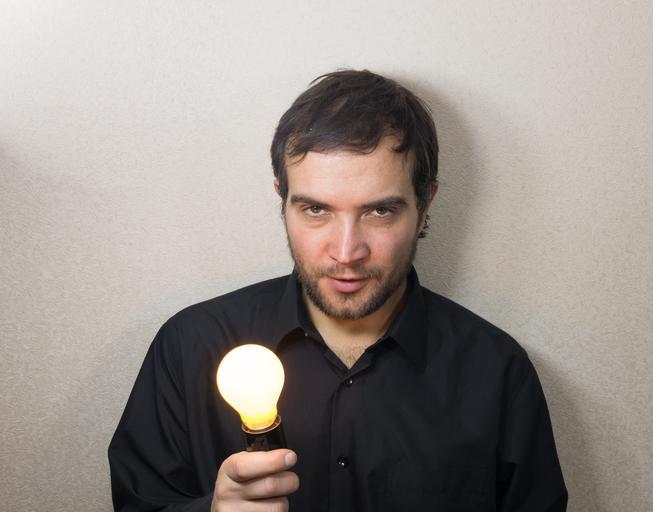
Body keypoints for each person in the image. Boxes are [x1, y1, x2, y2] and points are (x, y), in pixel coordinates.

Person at [108, 69, 567, 512]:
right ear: (282, 198)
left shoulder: (497, 372)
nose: (347, 252)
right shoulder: (190, 347)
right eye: (316, 210)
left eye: (379, 212)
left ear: (424, 204)